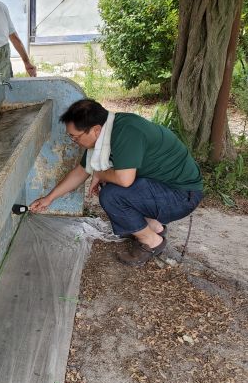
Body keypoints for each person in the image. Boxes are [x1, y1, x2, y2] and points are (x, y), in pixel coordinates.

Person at [30, 99, 203, 266]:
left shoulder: (127, 132)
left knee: (112, 194)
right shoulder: (108, 132)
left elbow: (124, 180)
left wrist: (99, 174)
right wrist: (49, 198)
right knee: (109, 180)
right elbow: (81, 172)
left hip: (181, 196)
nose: (74, 141)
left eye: (75, 137)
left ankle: (151, 241)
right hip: (166, 188)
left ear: (96, 130)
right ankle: (153, 227)